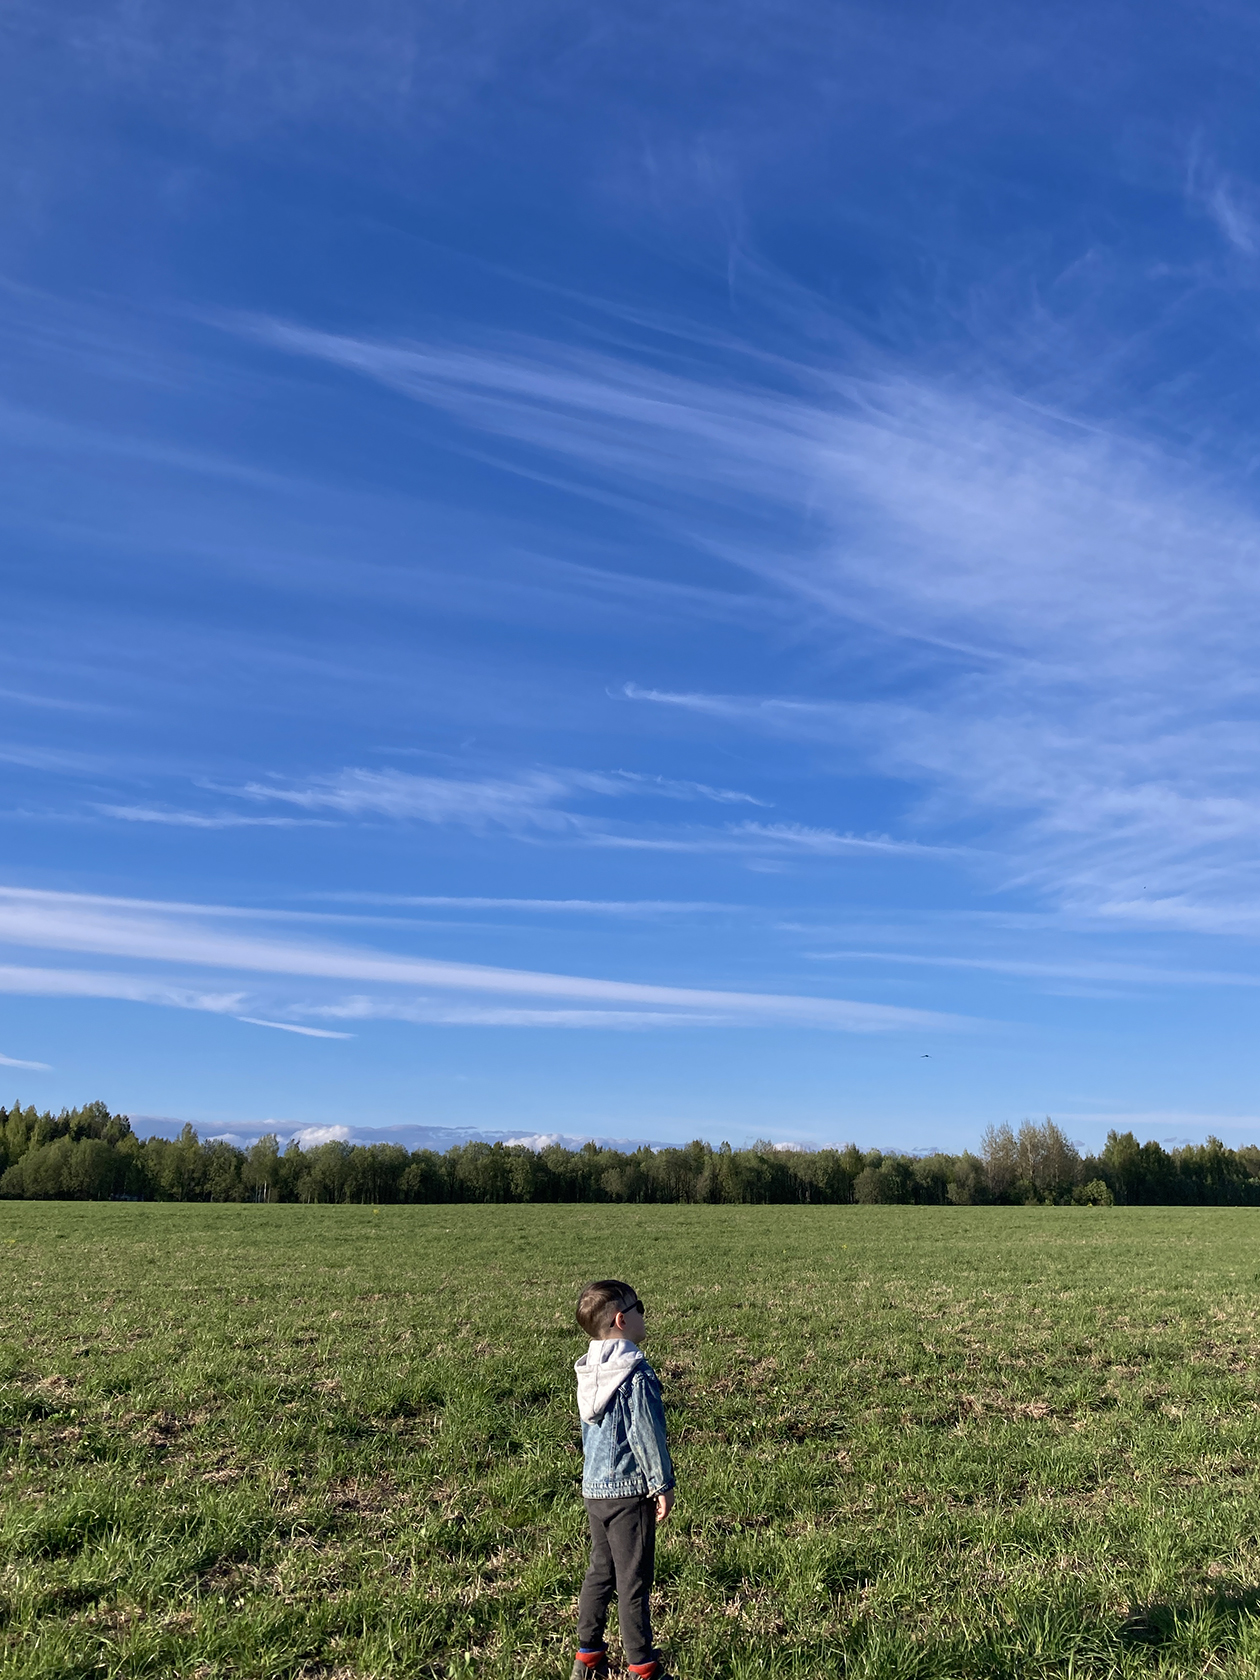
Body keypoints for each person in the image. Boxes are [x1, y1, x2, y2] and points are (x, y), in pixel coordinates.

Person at [571, 1280, 675, 1680]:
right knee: (634, 1580)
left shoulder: (590, 1371)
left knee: (601, 1571)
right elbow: (645, 1434)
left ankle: (589, 1656)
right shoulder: (636, 1373)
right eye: (640, 1307)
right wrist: (660, 1483)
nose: (644, 1314)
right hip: (631, 1491)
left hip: (595, 1490)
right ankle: (643, 1666)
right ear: (621, 1319)